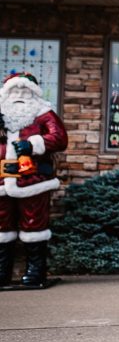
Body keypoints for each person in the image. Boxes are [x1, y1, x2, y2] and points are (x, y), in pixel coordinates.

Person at [0, 72, 69, 289]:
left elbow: (59, 137)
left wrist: (34, 144)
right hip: (2, 181)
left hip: (33, 180)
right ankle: (2, 271)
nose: (19, 95)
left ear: (33, 93)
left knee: (34, 224)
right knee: (2, 227)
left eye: (24, 91)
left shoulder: (43, 113)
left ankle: (35, 272)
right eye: (15, 91)